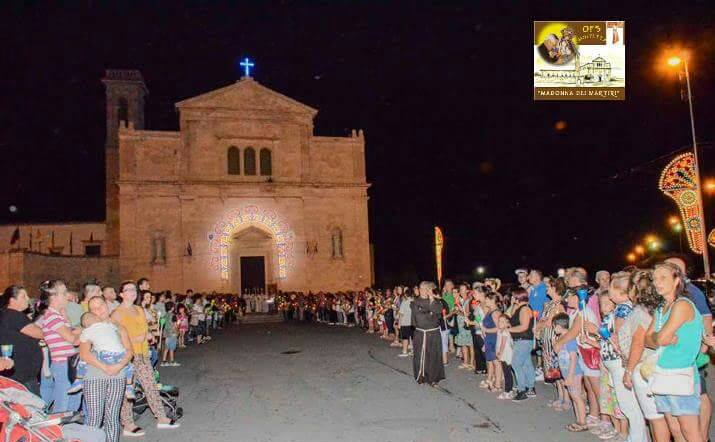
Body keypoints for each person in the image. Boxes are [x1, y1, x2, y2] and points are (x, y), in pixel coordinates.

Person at [645, 262, 704, 442]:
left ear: (677, 280)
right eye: (655, 279)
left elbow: (659, 339)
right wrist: (659, 338)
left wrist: (658, 338)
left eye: (663, 277)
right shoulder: (661, 308)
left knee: (690, 432)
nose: (657, 282)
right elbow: (648, 340)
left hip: (681, 375)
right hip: (662, 374)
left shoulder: (682, 305)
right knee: (675, 429)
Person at [112, 281, 180, 437]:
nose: (132, 292)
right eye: (128, 290)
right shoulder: (117, 313)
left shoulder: (139, 310)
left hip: (143, 354)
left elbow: (145, 328)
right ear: (121, 294)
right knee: (127, 392)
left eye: (134, 290)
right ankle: (128, 424)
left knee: (151, 385)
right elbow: (114, 335)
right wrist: (134, 338)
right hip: (127, 356)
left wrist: (149, 334)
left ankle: (161, 417)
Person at [664, 256, 712, 442]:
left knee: (700, 394)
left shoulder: (691, 291)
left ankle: (703, 435)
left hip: (690, 354)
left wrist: (704, 348)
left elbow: (706, 317)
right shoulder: (668, 294)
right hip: (674, 355)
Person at [80, 297, 134, 442]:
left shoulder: (119, 327)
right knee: (94, 417)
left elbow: (129, 351)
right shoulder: (90, 328)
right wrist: (105, 367)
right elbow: (84, 353)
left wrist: (118, 366)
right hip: (95, 377)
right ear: (90, 312)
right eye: (94, 309)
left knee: (112, 416)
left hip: (117, 375)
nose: (99, 310)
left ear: (107, 305)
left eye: (101, 306)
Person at [39, 279, 82, 413]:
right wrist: (85, 328)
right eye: (64, 293)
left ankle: (68, 430)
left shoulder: (58, 315)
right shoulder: (52, 316)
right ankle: (56, 431)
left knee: (73, 401)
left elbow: (71, 333)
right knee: (63, 403)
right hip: (62, 364)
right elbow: (72, 339)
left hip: (68, 363)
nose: (67, 295)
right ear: (54, 297)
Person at [0, 285, 44, 394]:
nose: (28, 298)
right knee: (33, 406)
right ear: (12, 300)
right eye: (23, 296)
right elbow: (40, 333)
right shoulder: (14, 315)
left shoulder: (6, 315)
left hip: (18, 372)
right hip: (22, 374)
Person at [553, 313, 587, 432]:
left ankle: (583, 422)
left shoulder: (569, 340)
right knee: (574, 397)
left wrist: (570, 375)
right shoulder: (562, 339)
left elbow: (573, 358)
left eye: (554, 326)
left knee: (577, 397)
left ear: (559, 326)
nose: (554, 329)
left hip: (574, 373)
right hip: (567, 372)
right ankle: (579, 420)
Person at [411, 281, 445, 386]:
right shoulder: (415, 302)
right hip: (421, 333)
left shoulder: (436, 302)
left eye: (426, 288)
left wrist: (431, 300)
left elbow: (438, 313)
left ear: (429, 290)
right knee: (420, 356)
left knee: (434, 356)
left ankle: (433, 378)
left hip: (433, 333)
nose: (423, 290)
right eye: (421, 288)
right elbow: (420, 318)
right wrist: (431, 313)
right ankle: (421, 377)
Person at [506, 288, 536, 401]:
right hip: (521, 340)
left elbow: (524, 326)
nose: (512, 298)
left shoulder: (524, 309)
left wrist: (509, 330)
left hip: (523, 339)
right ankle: (530, 387)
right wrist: (514, 304)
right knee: (526, 363)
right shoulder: (519, 308)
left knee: (516, 363)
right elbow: (511, 314)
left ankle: (522, 390)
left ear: (518, 297)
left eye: (513, 296)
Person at [495, 315, 514, 400]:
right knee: (506, 372)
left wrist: (500, 353)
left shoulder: (505, 331)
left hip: (506, 354)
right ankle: (509, 390)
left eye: (502, 321)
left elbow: (503, 344)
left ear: (507, 323)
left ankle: (508, 391)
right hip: (502, 353)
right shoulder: (500, 331)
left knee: (507, 373)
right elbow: (498, 343)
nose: (500, 323)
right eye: (499, 321)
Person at [397, 289, 413, 358]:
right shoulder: (414, 302)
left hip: (405, 322)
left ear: (405, 295)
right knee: (413, 338)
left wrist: (399, 323)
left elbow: (401, 314)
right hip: (413, 323)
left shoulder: (404, 302)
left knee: (405, 338)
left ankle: (405, 351)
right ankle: (413, 351)